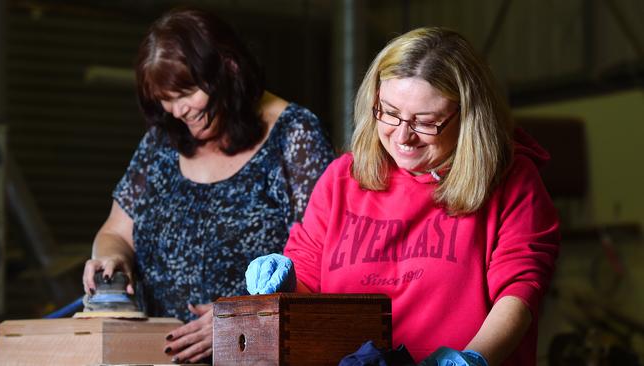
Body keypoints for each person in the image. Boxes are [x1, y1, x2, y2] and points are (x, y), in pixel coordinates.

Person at [246, 27, 560, 366]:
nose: (403, 136)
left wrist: (473, 359)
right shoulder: (342, 178)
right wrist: (284, 288)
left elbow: (518, 295)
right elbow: (308, 282)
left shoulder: (511, 181)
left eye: (426, 122)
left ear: (469, 117)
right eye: (390, 112)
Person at [81, 8, 335, 364]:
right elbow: (117, 233)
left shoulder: (295, 135)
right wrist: (109, 258)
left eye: (185, 92)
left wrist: (234, 322)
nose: (177, 110)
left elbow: (318, 263)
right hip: (155, 354)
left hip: (257, 356)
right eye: (165, 99)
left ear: (228, 68)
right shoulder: (162, 141)